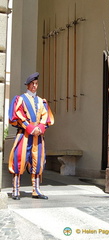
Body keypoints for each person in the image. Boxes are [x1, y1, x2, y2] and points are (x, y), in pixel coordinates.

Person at [8, 72, 54, 200]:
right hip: (24, 135)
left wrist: (40, 128)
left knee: (38, 161)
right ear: (28, 85)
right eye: (32, 84)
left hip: (38, 136)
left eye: (36, 84)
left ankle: (36, 189)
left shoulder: (41, 101)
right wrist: (30, 128)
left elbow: (46, 117)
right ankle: (16, 189)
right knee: (19, 159)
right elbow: (17, 115)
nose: (34, 86)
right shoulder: (20, 99)